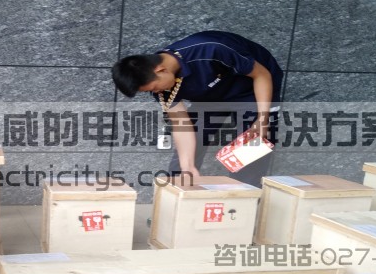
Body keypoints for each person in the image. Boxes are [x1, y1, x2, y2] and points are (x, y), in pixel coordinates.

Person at [112, 30, 283, 186]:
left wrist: (262, 119)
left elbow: (262, 75)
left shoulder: (211, 50)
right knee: (187, 154)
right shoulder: (162, 87)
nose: (155, 92)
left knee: (253, 146)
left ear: (161, 70)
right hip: (210, 95)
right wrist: (187, 166)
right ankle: (176, 198)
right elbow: (181, 125)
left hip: (252, 89)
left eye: (154, 88)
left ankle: (242, 201)